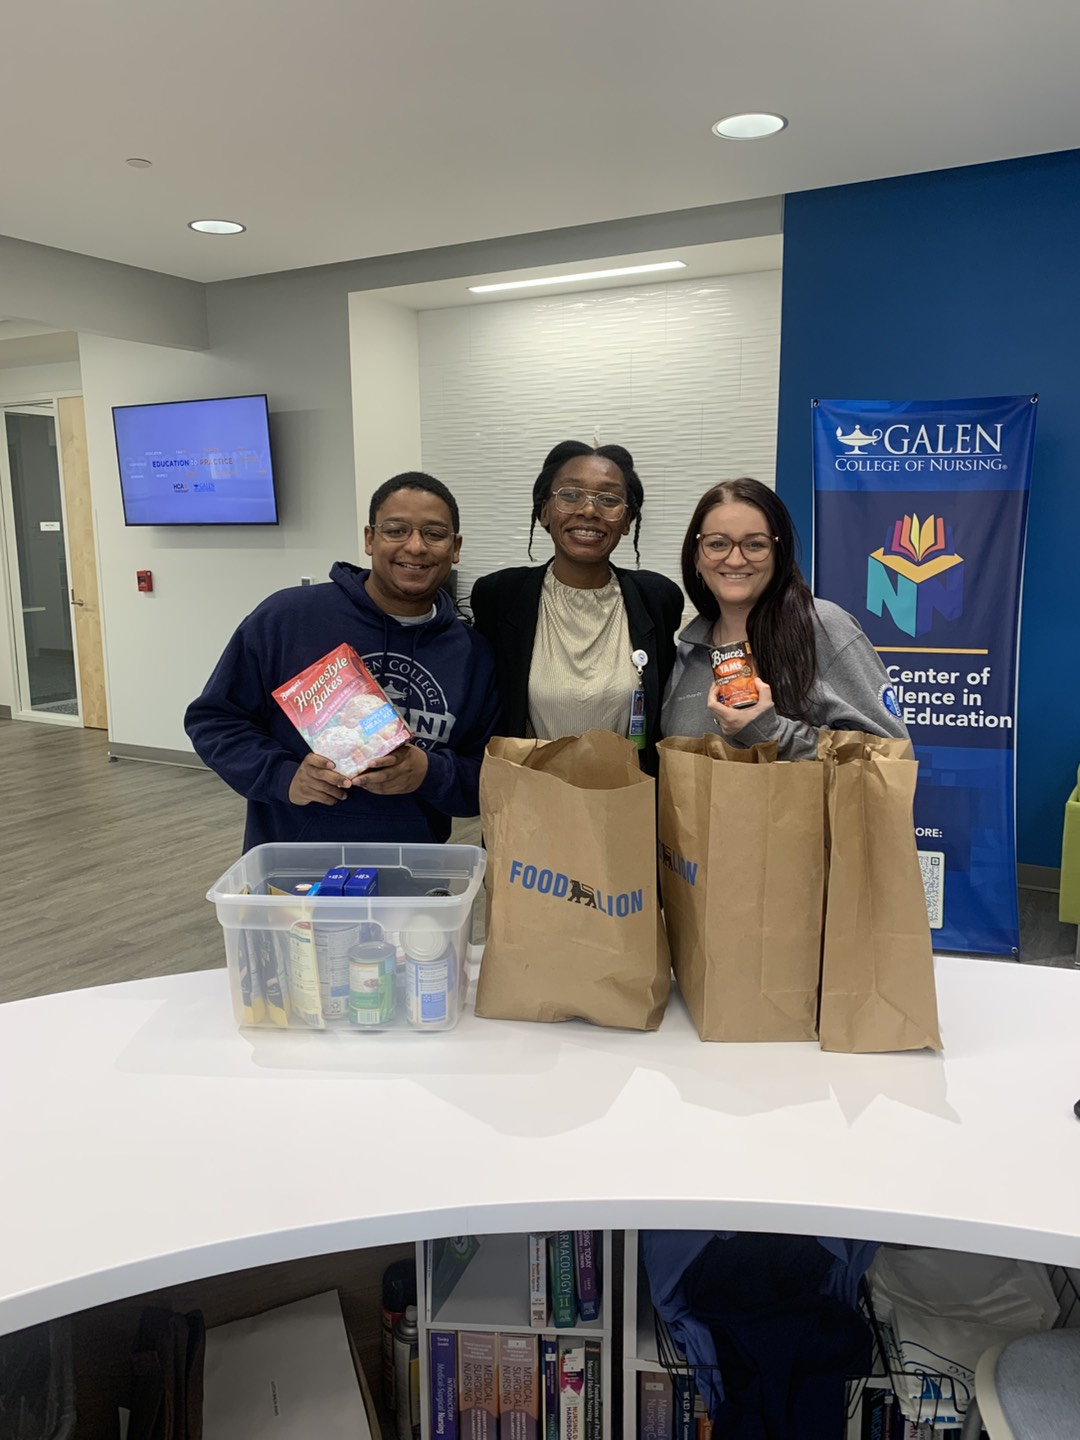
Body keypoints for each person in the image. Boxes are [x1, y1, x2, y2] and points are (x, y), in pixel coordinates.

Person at [185, 471, 502, 849]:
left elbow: (488, 776)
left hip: (414, 872)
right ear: (370, 539)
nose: (415, 547)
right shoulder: (288, 618)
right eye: (396, 530)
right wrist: (284, 777)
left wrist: (429, 772)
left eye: (434, 534)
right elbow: (215, 720)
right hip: (294, 863)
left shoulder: (474, 655)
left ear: (455, 547)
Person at [471, 440, 683, 775]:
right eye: (570, 495)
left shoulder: (656, 598)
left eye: (609, 499)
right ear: (544, 511)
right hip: (526, 800)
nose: (588, 510)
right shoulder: (500, 596)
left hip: (625, 803)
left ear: (627, 520)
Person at [661, 477, 908, 755]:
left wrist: (770, 732)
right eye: (718, 544)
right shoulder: (689, 649)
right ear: (696, 556)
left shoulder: (822, 627)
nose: (735, 559)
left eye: (755, 545)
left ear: (779, 554)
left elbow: (890, 756)